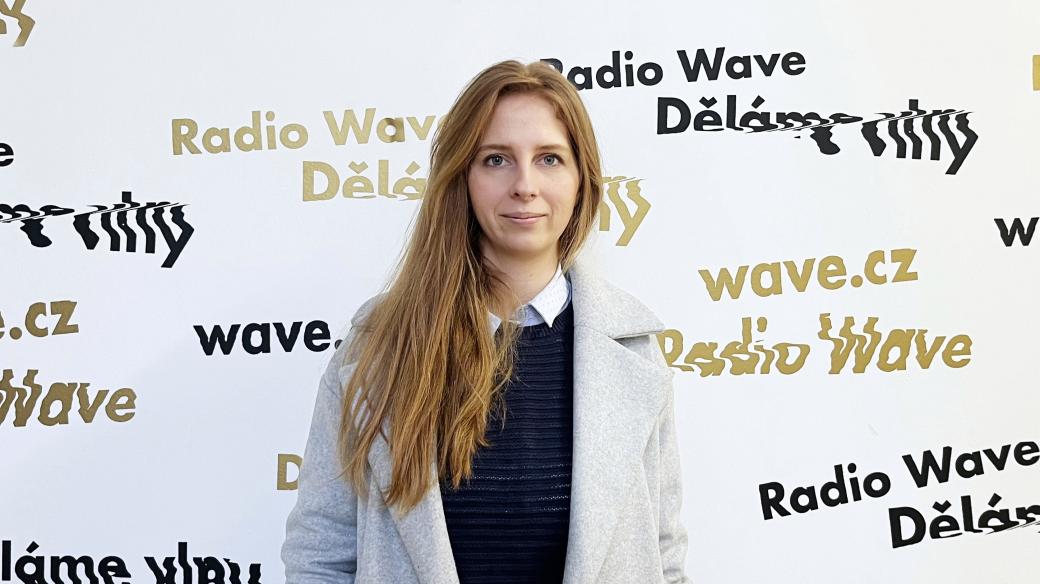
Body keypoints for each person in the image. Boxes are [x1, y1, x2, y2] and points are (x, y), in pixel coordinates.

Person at [281, 59, 689, 584]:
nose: (525, 185)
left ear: (581, 179)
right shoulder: (379, 346)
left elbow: (663, 558)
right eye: (496, 159)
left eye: (549, 158)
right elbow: (321, 556)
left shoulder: (633, 349)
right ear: (462, 178)